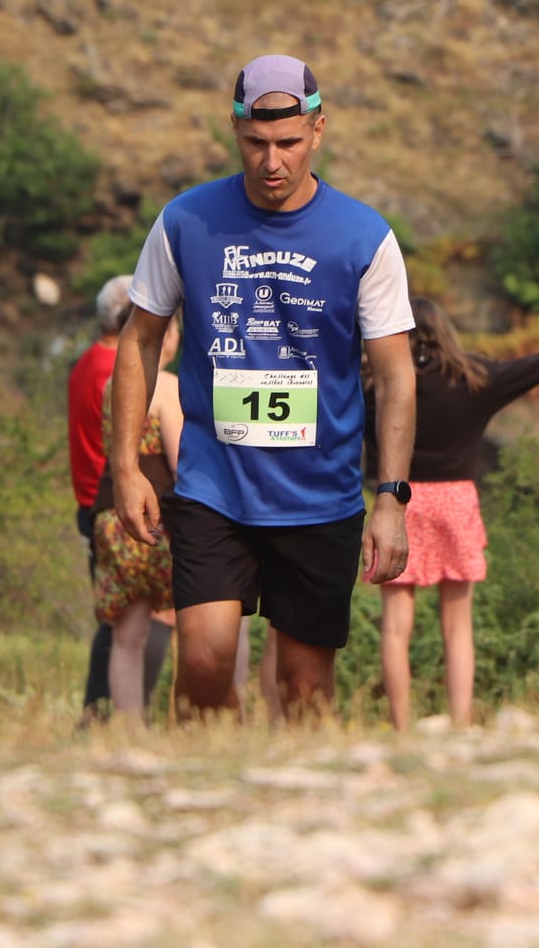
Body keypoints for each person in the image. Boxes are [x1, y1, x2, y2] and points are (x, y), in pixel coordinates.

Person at [108, 53, 416, 722]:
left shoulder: (365, 237)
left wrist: (391, 497)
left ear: (318, 130)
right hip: (214, 486)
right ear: (235, 132)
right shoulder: (186, 221)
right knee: (204, 660)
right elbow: (139, 340)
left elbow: (396, 375)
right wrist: (124, 466)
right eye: (255, 143)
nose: (271, 161)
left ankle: (288, 786)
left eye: (288, 143)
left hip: (320, 494)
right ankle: (211, 773)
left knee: (304, 686)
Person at [370, 298, 539, 730]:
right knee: (458, 626)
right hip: (455, 503)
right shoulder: (473, 378)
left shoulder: (375, 385)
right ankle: (461, 723)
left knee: (395, 626)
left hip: (398, 504)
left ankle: (400, 727)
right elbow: (530, 368)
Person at [67, 274, 170, 727]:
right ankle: (118, 713)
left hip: (97, 499)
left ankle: (107, 716)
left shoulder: (85, 365)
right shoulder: (120, 370)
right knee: (148, 619)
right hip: (122, 497)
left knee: (120, 620)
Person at [90, 314, 184, 722]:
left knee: (126, 634)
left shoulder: (114, 385)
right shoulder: (166, 386)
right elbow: (181, 461)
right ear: (168, 336)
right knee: (183, 617)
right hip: (154, 517)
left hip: (112, 513)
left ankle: (129, 725)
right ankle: (191, 718)